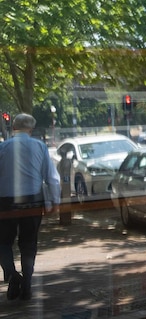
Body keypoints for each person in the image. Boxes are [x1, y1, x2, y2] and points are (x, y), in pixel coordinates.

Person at [0, 113, 61, 301]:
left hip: (6, 201)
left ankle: (13, 276)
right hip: (33, 200)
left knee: (3, 242)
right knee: (28, 243)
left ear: (13, 128)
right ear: (31, 129)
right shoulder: (40, 146)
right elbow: (51, 177)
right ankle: (26, 283)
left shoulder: (2, 147)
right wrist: (54, 202)